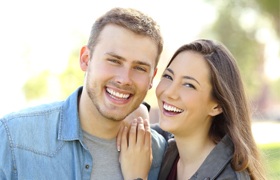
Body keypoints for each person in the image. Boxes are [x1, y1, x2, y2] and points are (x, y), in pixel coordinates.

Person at [0, 7, 166, 180]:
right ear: (86, 59)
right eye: (114, 61)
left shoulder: (160, 155)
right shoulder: (14, 138)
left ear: (152, 77)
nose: (124, 79)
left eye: (139, 68)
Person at [120, 39, 266, 179]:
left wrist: (136, 177)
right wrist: (139, 112)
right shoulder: (167, 149)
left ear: (217, 106)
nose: (169, 92)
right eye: (168, 76)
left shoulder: (229, 177)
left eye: (189, 85)